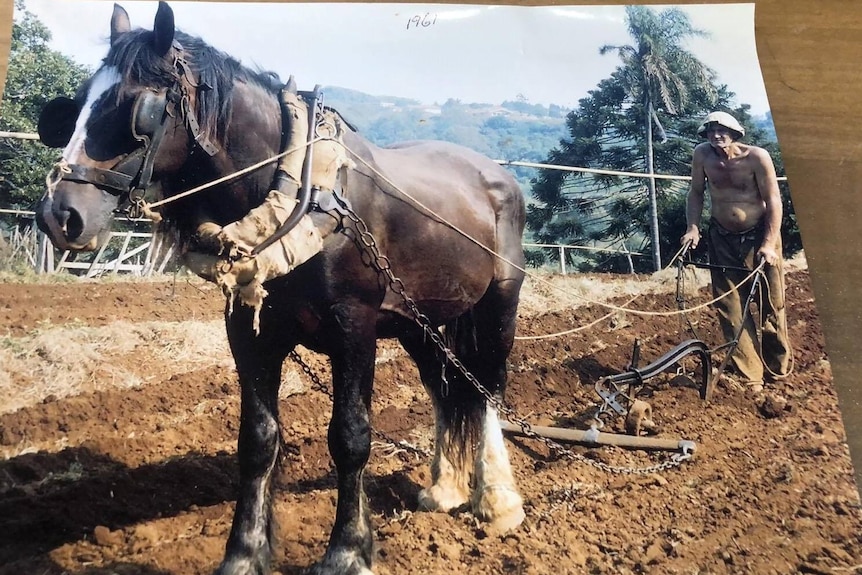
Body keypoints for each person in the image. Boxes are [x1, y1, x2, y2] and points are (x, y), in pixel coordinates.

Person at [681, 111, 792, 391]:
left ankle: (776, 369)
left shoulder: (757, 157)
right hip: (722, 238)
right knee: (730, 307)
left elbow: (773, 200)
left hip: (760, 237)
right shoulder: (702, 156)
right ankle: (750, 376)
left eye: (722, 129)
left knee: (772, 304)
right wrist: (693, 227)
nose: (716, 135)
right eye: (710, 130)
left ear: (735, 132)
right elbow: (695, 192)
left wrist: (768, 243)